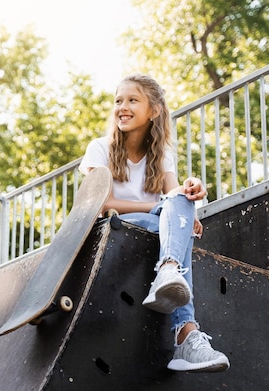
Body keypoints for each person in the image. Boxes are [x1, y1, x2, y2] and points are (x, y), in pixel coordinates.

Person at [79, 73, 230, 373]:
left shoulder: (162, 155)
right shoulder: (101, 148)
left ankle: (171, 277)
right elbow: (103, 204)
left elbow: (175, 196)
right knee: (176, 214)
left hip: (153, 229)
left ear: (154, 110)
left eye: (133, 100)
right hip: (113, 227)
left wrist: (191, 196)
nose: (122, 106)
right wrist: (167, 207)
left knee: (183, 204)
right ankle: (185, 330)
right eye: (118, 100)